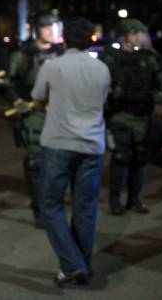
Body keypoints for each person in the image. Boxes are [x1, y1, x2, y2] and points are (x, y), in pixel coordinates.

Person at [32, 17, 110, 287]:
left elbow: (38, 97)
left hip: (58, 143)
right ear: (91, 39)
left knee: (50, 204)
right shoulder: (102, 69)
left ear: (64, 39)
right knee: (85, 208)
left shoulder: (53, 66)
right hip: (92, 144)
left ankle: (72, 263)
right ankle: (80, 267)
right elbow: (102, 102)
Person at [0, 11, 64, 227]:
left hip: (59, 113)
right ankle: (39, 209)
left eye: (55, 27)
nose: (52, 32)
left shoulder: (63, 53)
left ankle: (53, 203)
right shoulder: (23, 55)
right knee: (35, 161)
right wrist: (17, 101)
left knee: (58, 161)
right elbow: (6, 82)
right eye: (47, 27)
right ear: (38, 30)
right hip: (33, 112)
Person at [100, 18, 162, 215]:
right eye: (137, 33)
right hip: (120, 114)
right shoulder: (111, 57)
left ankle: (134, 199)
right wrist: (112, 94)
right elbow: (100, 83)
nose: (141, 37)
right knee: (121, 157)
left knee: (140, 158)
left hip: (143, 115)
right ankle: (115, 201)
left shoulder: (150, 57)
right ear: (126, 35)